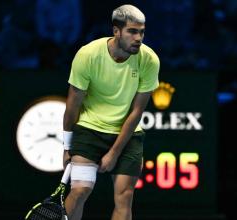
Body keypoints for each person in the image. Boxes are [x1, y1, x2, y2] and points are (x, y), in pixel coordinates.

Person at [61, 5, 159, 220]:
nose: (138, 38)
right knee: (79, 190)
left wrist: (114, 152)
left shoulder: (149, 59)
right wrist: (67, 146)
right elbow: (73, 106)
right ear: (116, 31)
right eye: (132, 31)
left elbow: (136, 111)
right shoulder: (87, 55)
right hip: (90, 129)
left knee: (124, 196)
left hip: (128, 134)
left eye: (142, 32)